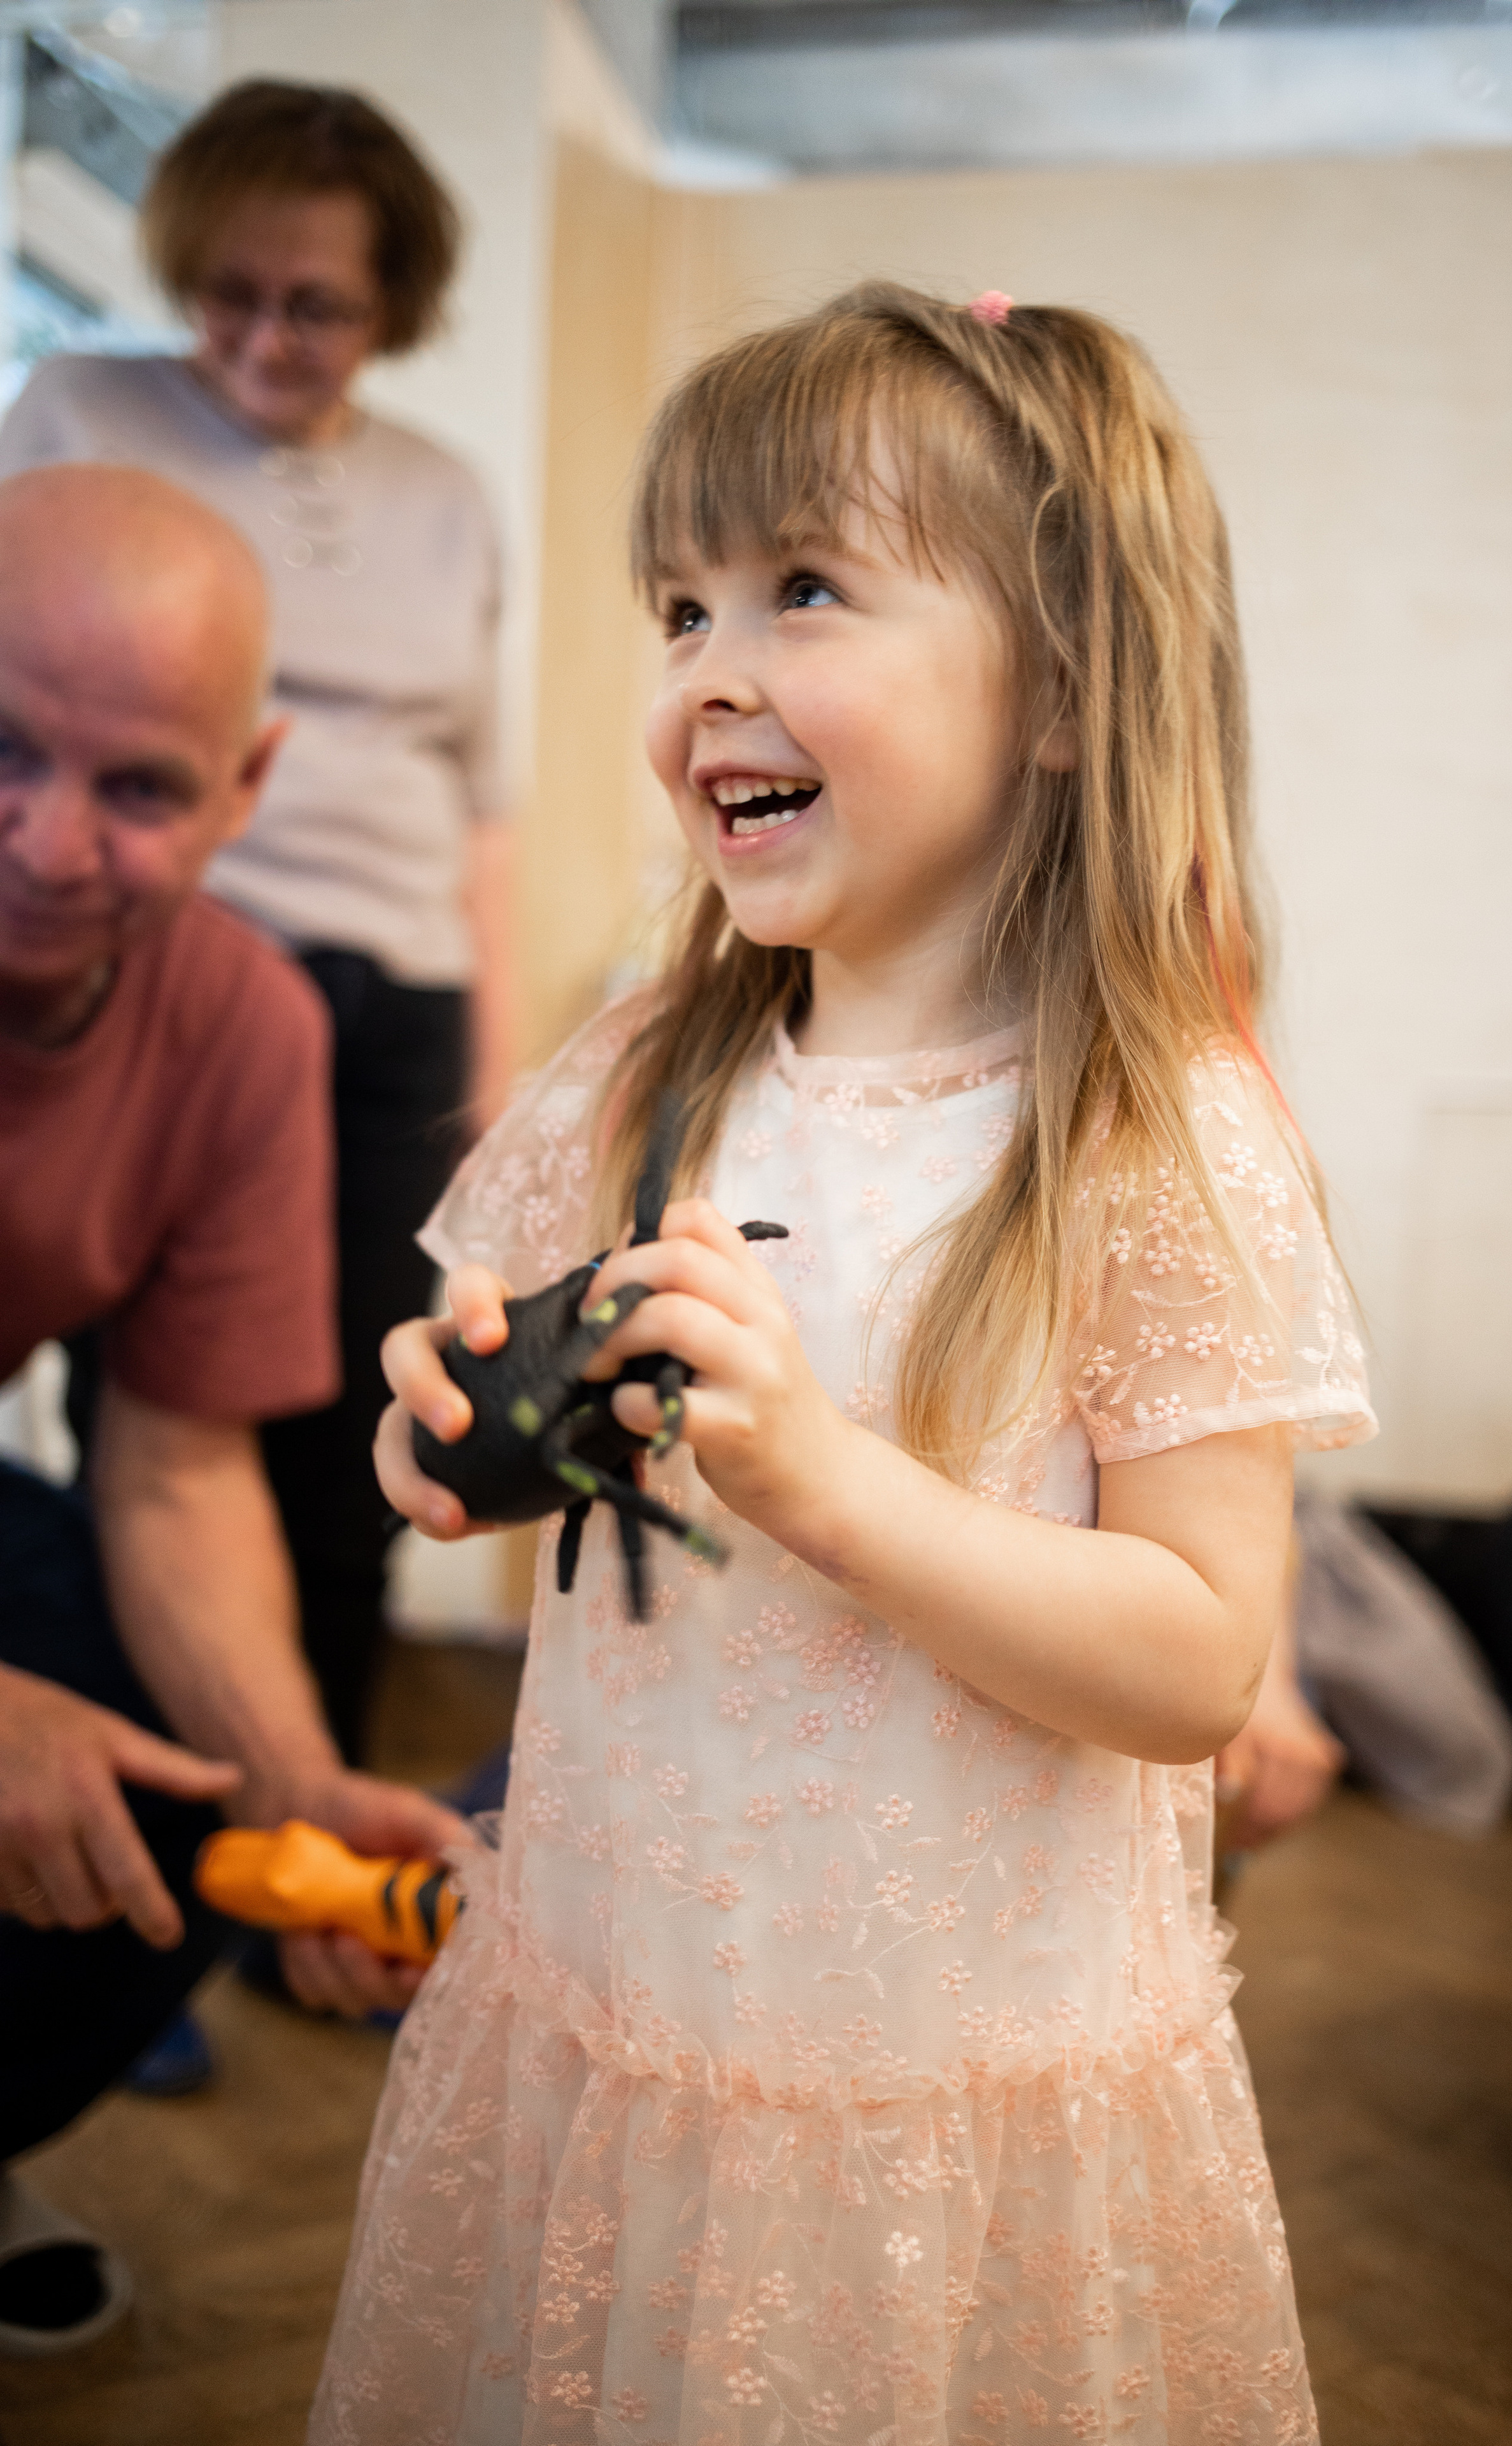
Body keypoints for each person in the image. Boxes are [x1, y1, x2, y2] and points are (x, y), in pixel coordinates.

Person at [313, 285, 1376, 2443]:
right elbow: (495, 1383)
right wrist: (453, 1429)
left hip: (941, 2089)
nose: (712, 676)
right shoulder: (644, 1068)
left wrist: (826, 1484)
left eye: (803, 590)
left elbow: (1192, 1657)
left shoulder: (1149, 1135)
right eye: (683, 607)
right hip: (625, 2007)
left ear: (1066, 686)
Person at [0, 79, 518, 1768]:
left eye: (320, 308)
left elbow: (482, 805)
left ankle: (289, 1833)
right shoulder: (79, 404)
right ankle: (105, 1802)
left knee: (350, 1431)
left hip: (387, 1008)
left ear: (395, 312)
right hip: (138, 980)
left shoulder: (447, 493)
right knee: (115, 1416)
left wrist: (495, 1087)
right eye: (233, 289)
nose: (267, 338)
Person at [0, 464, 461, 2355]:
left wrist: (292, 1791)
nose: (42, 843)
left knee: (168, 1758)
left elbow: (178, 1474)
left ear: (246, 791)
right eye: (3, 753)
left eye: (136, 790)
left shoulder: (247, 1026)